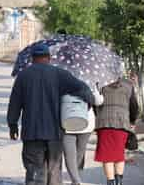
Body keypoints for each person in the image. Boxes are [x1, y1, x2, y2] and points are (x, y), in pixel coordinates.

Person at [7, 43, 95, 185]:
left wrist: (12, 125)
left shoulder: (23, 76)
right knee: (54, 171)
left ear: (32, 58)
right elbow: (83, 88)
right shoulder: (59, 74)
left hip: (32, 133)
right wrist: (88, 104)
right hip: (54, 133)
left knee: (34, 172)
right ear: (49, 57)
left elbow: (15, 103)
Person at [94, 78, 139, 185]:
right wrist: (132, 120)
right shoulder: (128, 85)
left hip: (104, 123)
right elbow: (134, 106)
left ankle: (110, 182)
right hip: (122, 123)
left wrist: (98, 116)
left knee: (107, 156)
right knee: (119, 154)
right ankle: (119, 182)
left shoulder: (100, 83)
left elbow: (94, 103)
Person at [63, 88, 104, 185]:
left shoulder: (62, 82)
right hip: (85, 123)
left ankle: (75, 180)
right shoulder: (89, 81)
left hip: (67, 121)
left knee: (70, 155)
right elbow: (98, 101)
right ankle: (76, 180)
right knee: (80, 153)